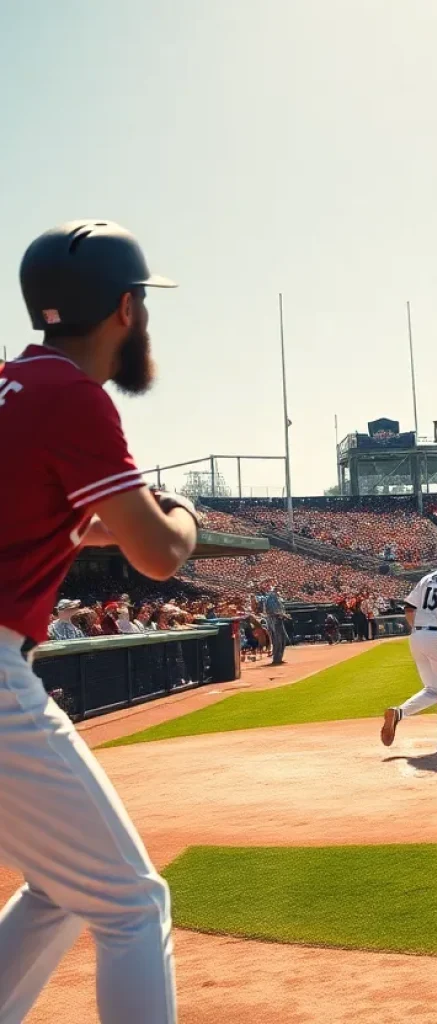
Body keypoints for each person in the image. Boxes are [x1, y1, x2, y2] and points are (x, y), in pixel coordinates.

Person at [0, 220, 196, 1023]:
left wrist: (103, 521)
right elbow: (157, 554)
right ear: (123, 307)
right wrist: (180, 514)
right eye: (142, 304)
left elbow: (53, 517)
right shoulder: (73, 396)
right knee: (132, 904)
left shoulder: (13, 384)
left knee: (63, 885)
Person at [380, 540, 437, 753]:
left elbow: (409, 607)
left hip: (417, 636)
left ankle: (398, 713)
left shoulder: (427, 578)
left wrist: (420, 630)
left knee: (434, 689)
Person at [263, 582, 290, 664]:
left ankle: (278, 658)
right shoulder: (271, 597)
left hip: (278, 620)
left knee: (283, 639)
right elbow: (272, 611)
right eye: (277, 588)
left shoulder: (277, 597)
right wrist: (283, 615)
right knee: (278, 640)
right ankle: (276, 659)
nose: (279, 590)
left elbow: (279, 610)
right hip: (274, 620)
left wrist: (284, 615)